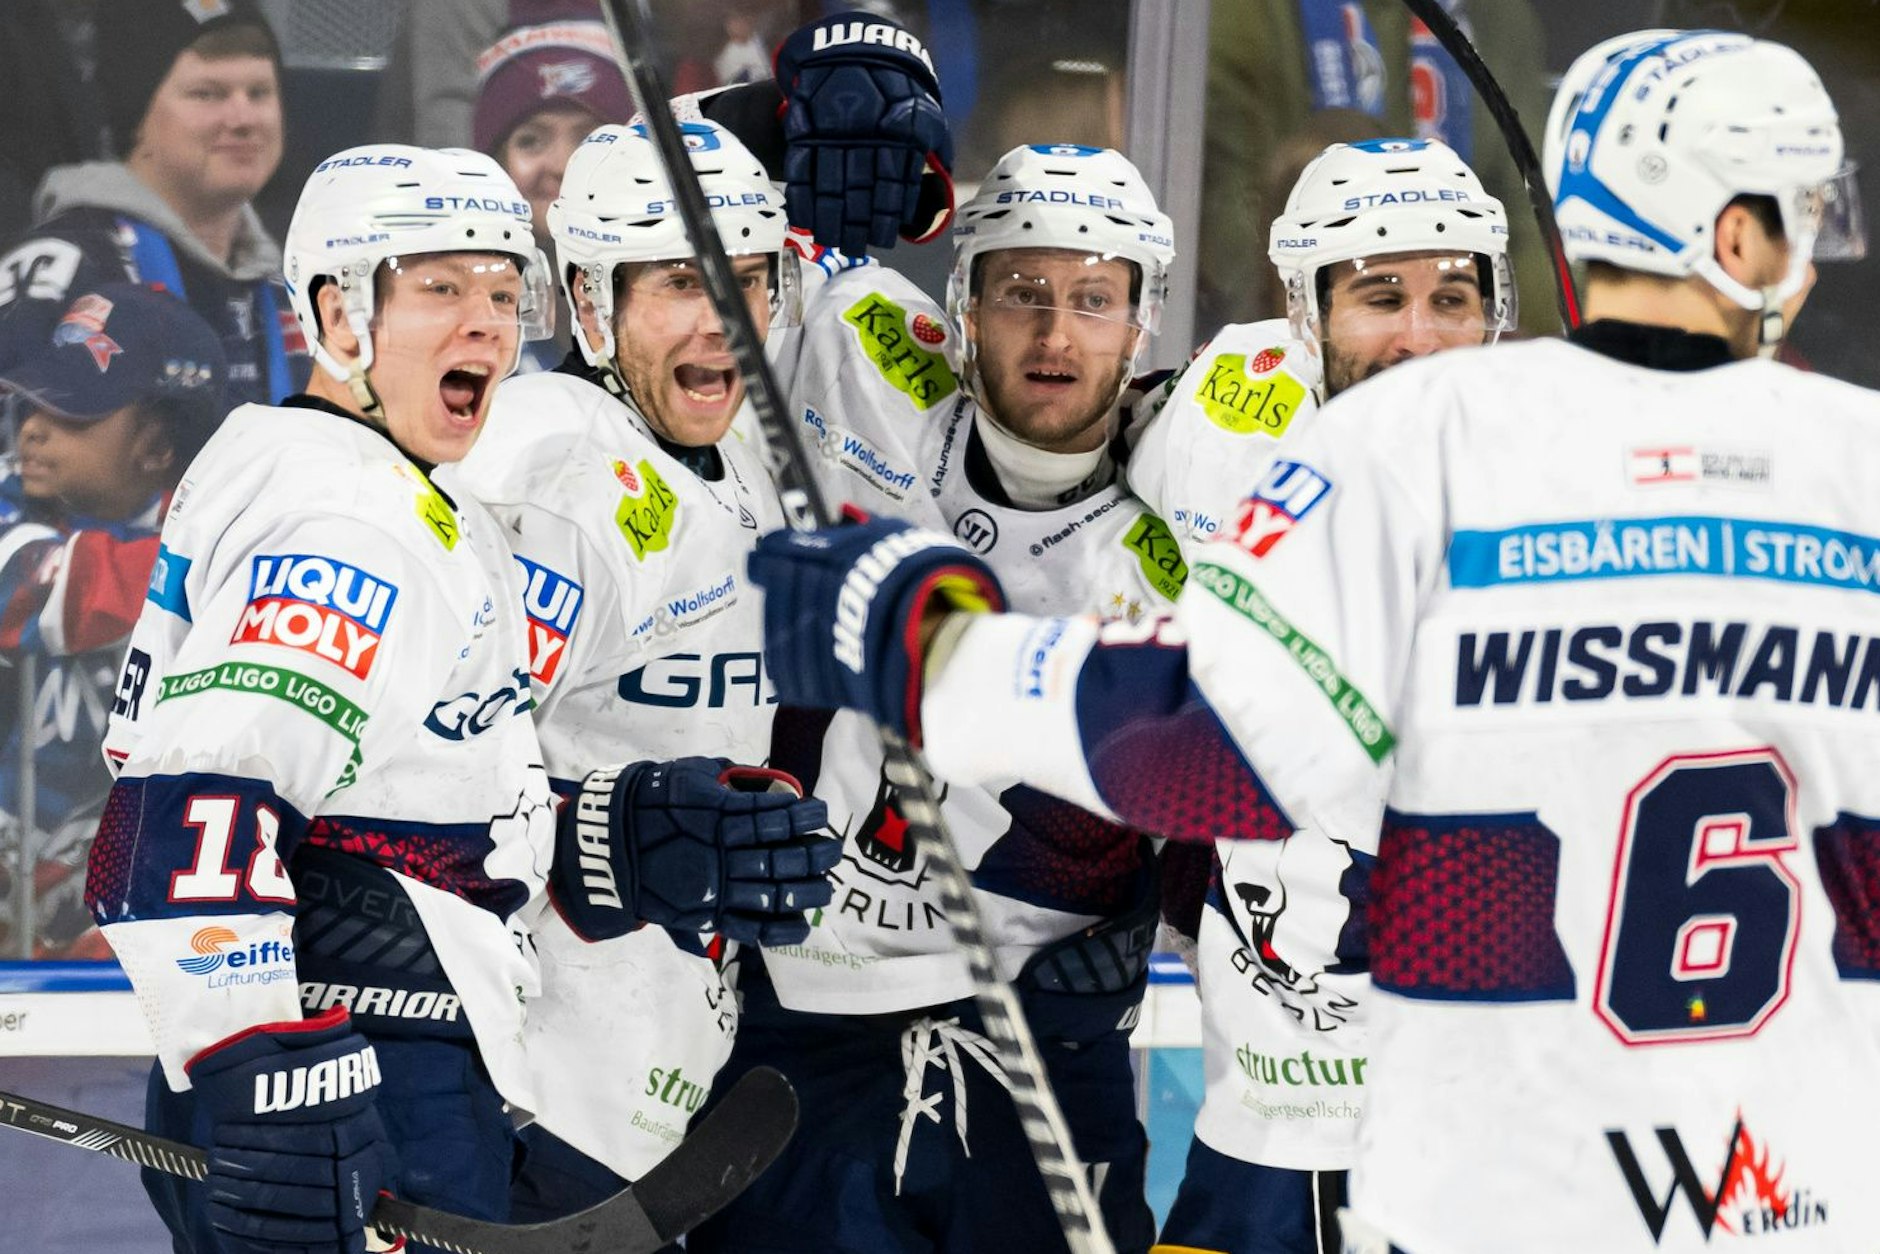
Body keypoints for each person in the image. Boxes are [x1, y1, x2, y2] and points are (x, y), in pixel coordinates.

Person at [750, 27, 1879, 1254]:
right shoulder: (1848, 465)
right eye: (1802, 214)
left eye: (1447, 296)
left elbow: (1216, 745)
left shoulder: (1405, 463)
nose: (1415, 333)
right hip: (1769, 1167)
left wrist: (931, 648)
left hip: (1471, 1153)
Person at [84, 142, 827, 1254]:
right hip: (353, 1072)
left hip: (396, 1060)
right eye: (438, 288)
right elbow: (178, 820)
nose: (485, 324)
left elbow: (411, 789)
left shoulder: (393, 492)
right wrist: (254, 1071)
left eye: (499, 291)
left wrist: (623, 836)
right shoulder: (346, 525)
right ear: (337, 314)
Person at [691, 141, 1177, 1254]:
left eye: (1094, 299)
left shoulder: (1174, 530)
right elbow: (682, 192)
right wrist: (823, 108)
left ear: (1140, 323)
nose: (1055, 334)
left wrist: (1141, 908)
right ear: (961, 304)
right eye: (1022, 291)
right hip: (795, 1023)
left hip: (1037, 1048)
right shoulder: (861, 365)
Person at [1123, 136, 1515, 1254]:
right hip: (1279, 1098)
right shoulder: (1225, 407)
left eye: (1451, 298)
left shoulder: (1556, 467)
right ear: (1306, 312)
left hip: (1485, 1106)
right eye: (1380, 297)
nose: (1418, 335)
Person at [449, 117, 839, 1226]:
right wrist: (607, 839)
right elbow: (422, 780)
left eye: (748, 279)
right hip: (518, 1095)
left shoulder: (735, 458)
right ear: (588, 298)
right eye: (679, 281)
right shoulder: (554, 475)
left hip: (646, 1093)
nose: (724, 317)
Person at [0, 283, 225, 960]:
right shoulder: (14, 503)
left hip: (139, 886)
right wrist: (226, 568)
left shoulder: (216, 523)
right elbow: (51, 592)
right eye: (32, 401)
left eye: (71, 411)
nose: (32, 427)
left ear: (156, 445)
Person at [0, 0, 304, 410]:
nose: (243, 118)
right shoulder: (59, 271)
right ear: (136, 117)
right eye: (207, 94)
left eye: (259, 92)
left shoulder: (299, 279)